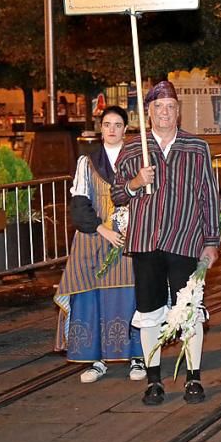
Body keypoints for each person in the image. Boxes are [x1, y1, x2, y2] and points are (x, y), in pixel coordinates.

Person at [112, 81, 219, 405]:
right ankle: (154, 380)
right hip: (146, 243)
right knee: (149, 312)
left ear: (178, 111)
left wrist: (211, 241)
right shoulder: (133, 149)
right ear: (149, 113)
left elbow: (208, 196)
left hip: (185, 241)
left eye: (171, 107)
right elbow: (117, 194)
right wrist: (136, 182)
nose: (165, 113)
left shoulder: (196, 147)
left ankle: (193, 377)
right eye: (159, 108)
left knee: (189, 311)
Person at [54, 106, 145, 383]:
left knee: (131, 296)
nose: (112, 129)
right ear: (100, 128)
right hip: (94, 238)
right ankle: (96, 359)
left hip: (129, 238)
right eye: (107, 124)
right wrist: (102, 229)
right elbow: (80, 206)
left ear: (126, 129)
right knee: (89, 295)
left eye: (118, 124)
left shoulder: (138, 161)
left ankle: (137, 356)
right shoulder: (87, 162)